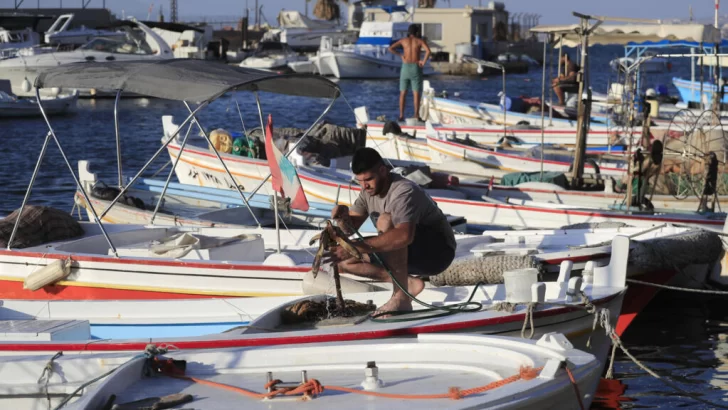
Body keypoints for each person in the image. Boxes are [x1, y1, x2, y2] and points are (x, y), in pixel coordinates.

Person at [324, 148, 456, 315]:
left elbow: (403, 236)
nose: (365, 185)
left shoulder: (403, 191)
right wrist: (341, 219)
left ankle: (401, 299)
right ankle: (408, 284)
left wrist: (355, 247)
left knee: (386, 220)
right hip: (408, 248)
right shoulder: (366, 192)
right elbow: (350, 229)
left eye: (369, 179)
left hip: (438, 251)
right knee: (344, 261)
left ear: (383, 170)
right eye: (359, 181)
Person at [388, 24, 431, 122]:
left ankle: (401, 115)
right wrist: (423, 62)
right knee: (415, 93)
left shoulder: (403, 41)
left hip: (405, 67)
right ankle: (416, 115)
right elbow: (428, 51)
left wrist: (401, 55)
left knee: (403, 92)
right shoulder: (420, 41)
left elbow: (390, 48)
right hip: (415, 66)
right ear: (416, 32)